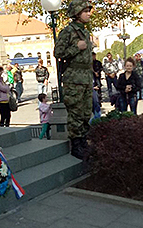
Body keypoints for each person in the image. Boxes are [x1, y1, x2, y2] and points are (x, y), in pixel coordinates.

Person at [54, 0, 93, 160]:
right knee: (75, 112)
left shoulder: (85, 31)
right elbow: (58, 52)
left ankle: (83, 141)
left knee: (86, 112)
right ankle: (76, 145)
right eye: (86, 11)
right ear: (77, 13)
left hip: (85, 77)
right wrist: (77, 47)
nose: (89, 13)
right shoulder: (68, 31)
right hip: (73, 78)